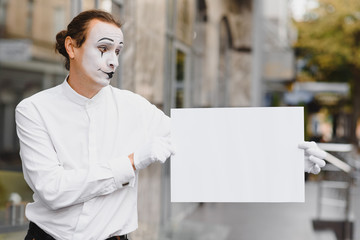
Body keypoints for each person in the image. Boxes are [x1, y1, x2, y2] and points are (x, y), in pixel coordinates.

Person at [15, 9, 325, 240]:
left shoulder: (133, 106)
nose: (113, 61)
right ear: (72, 47)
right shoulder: (34, 110)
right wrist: (133, 162)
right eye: (103, 48)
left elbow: (207, 144)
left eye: (118, 52)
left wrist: (287, 159)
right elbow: (53, 191)